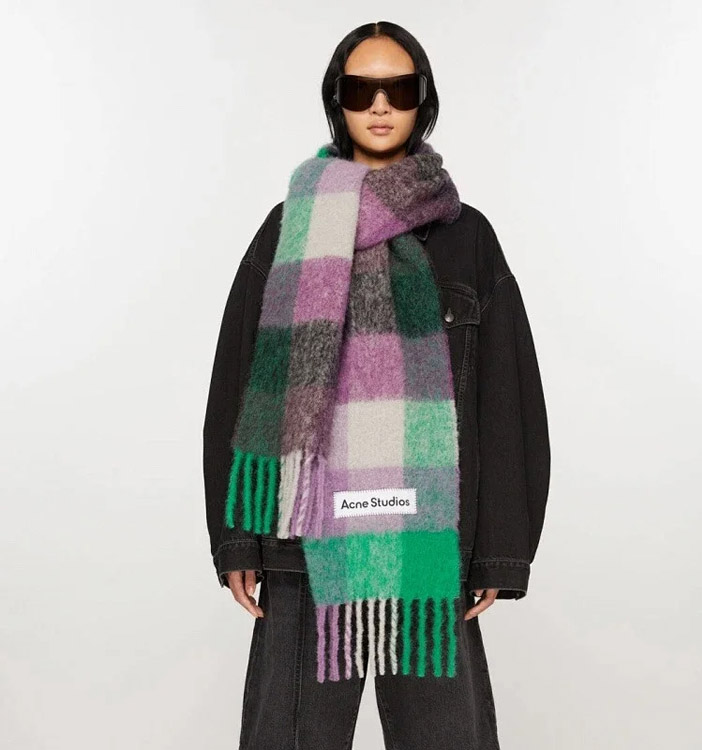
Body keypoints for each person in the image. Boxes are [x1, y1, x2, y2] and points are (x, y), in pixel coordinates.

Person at [203, 20, 551, 750]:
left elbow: (507, 399)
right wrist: (236, 540)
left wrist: (499, 551)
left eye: (399, 88)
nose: (382, 105)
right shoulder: (288, 230)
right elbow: (236, 381)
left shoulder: (468, 237)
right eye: (362, 90)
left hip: (432, 545)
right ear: (338, 101)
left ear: (424, 99)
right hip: (302, 540)